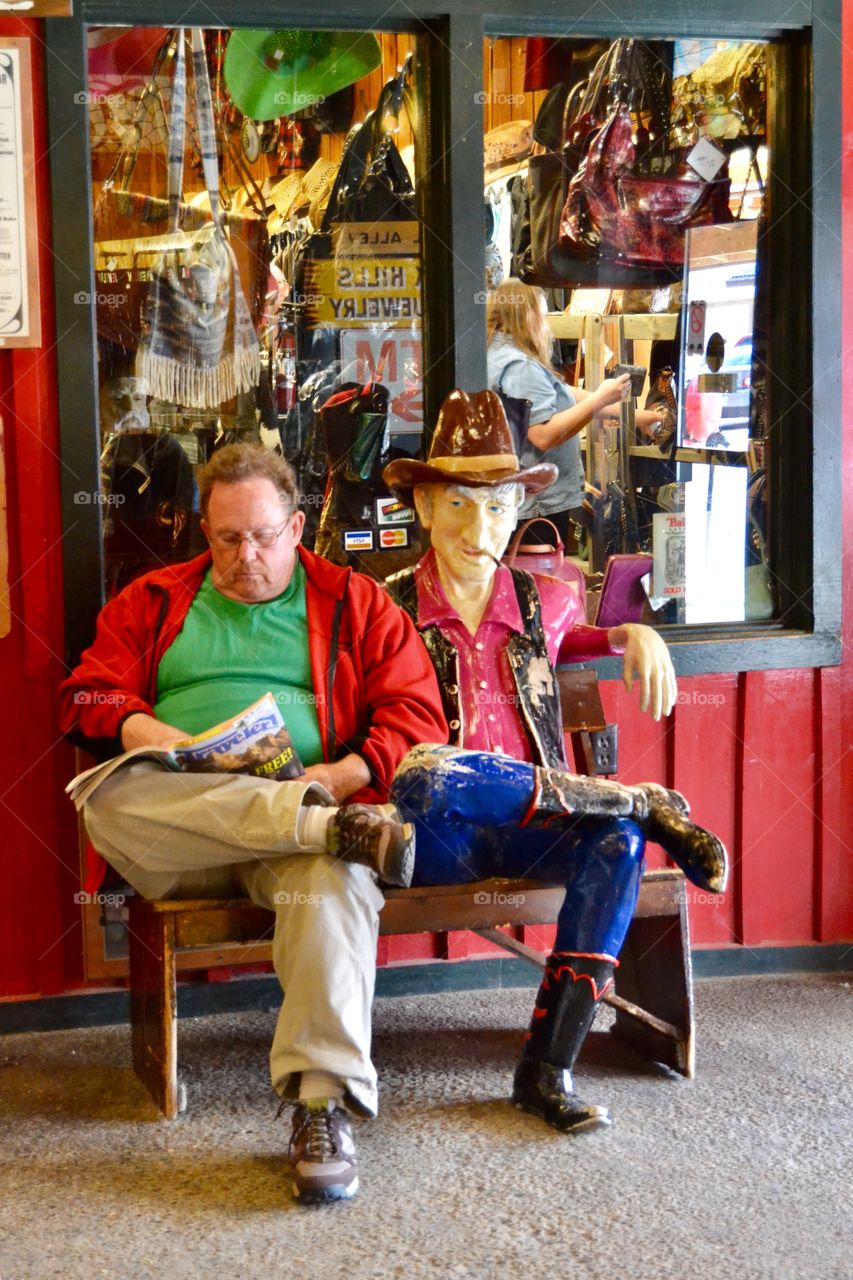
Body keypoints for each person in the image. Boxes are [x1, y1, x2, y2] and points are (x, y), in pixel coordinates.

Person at [60, 443, 448, 1206]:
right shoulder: (154, 600)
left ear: (297, 526)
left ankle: (320, 1107)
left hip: (298, 825)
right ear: (202, 533)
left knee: (332, 879)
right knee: (105, 795)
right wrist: (149, 734)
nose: (247, 556)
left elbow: (415, 713)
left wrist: (339, 777)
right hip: (184, 833)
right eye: (227, 538)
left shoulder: (354, 601)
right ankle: (317, 826)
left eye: (264, 536)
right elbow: (85, 699)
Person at [383, 388, 728, 1135]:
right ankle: (637, 798)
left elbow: (587, 639)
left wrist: (633, 635)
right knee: (429, 772)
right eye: (460, 507)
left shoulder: (547, 602)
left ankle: (546, 1068)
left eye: (500, 508)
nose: (483, 530)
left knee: (618, 844)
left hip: (530, 829)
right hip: (433, 836)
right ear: (424, 510)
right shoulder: (387, 608)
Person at [486, 279, 669, 545]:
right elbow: (543, 435)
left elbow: (564, 393)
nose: (546, 325)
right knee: (540, 577)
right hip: (538, 502)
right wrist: (599, 400)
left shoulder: (499, 354)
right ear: (527, 317)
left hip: (526, 499)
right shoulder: (520, 366)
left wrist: (636, 416)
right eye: (543, 315)